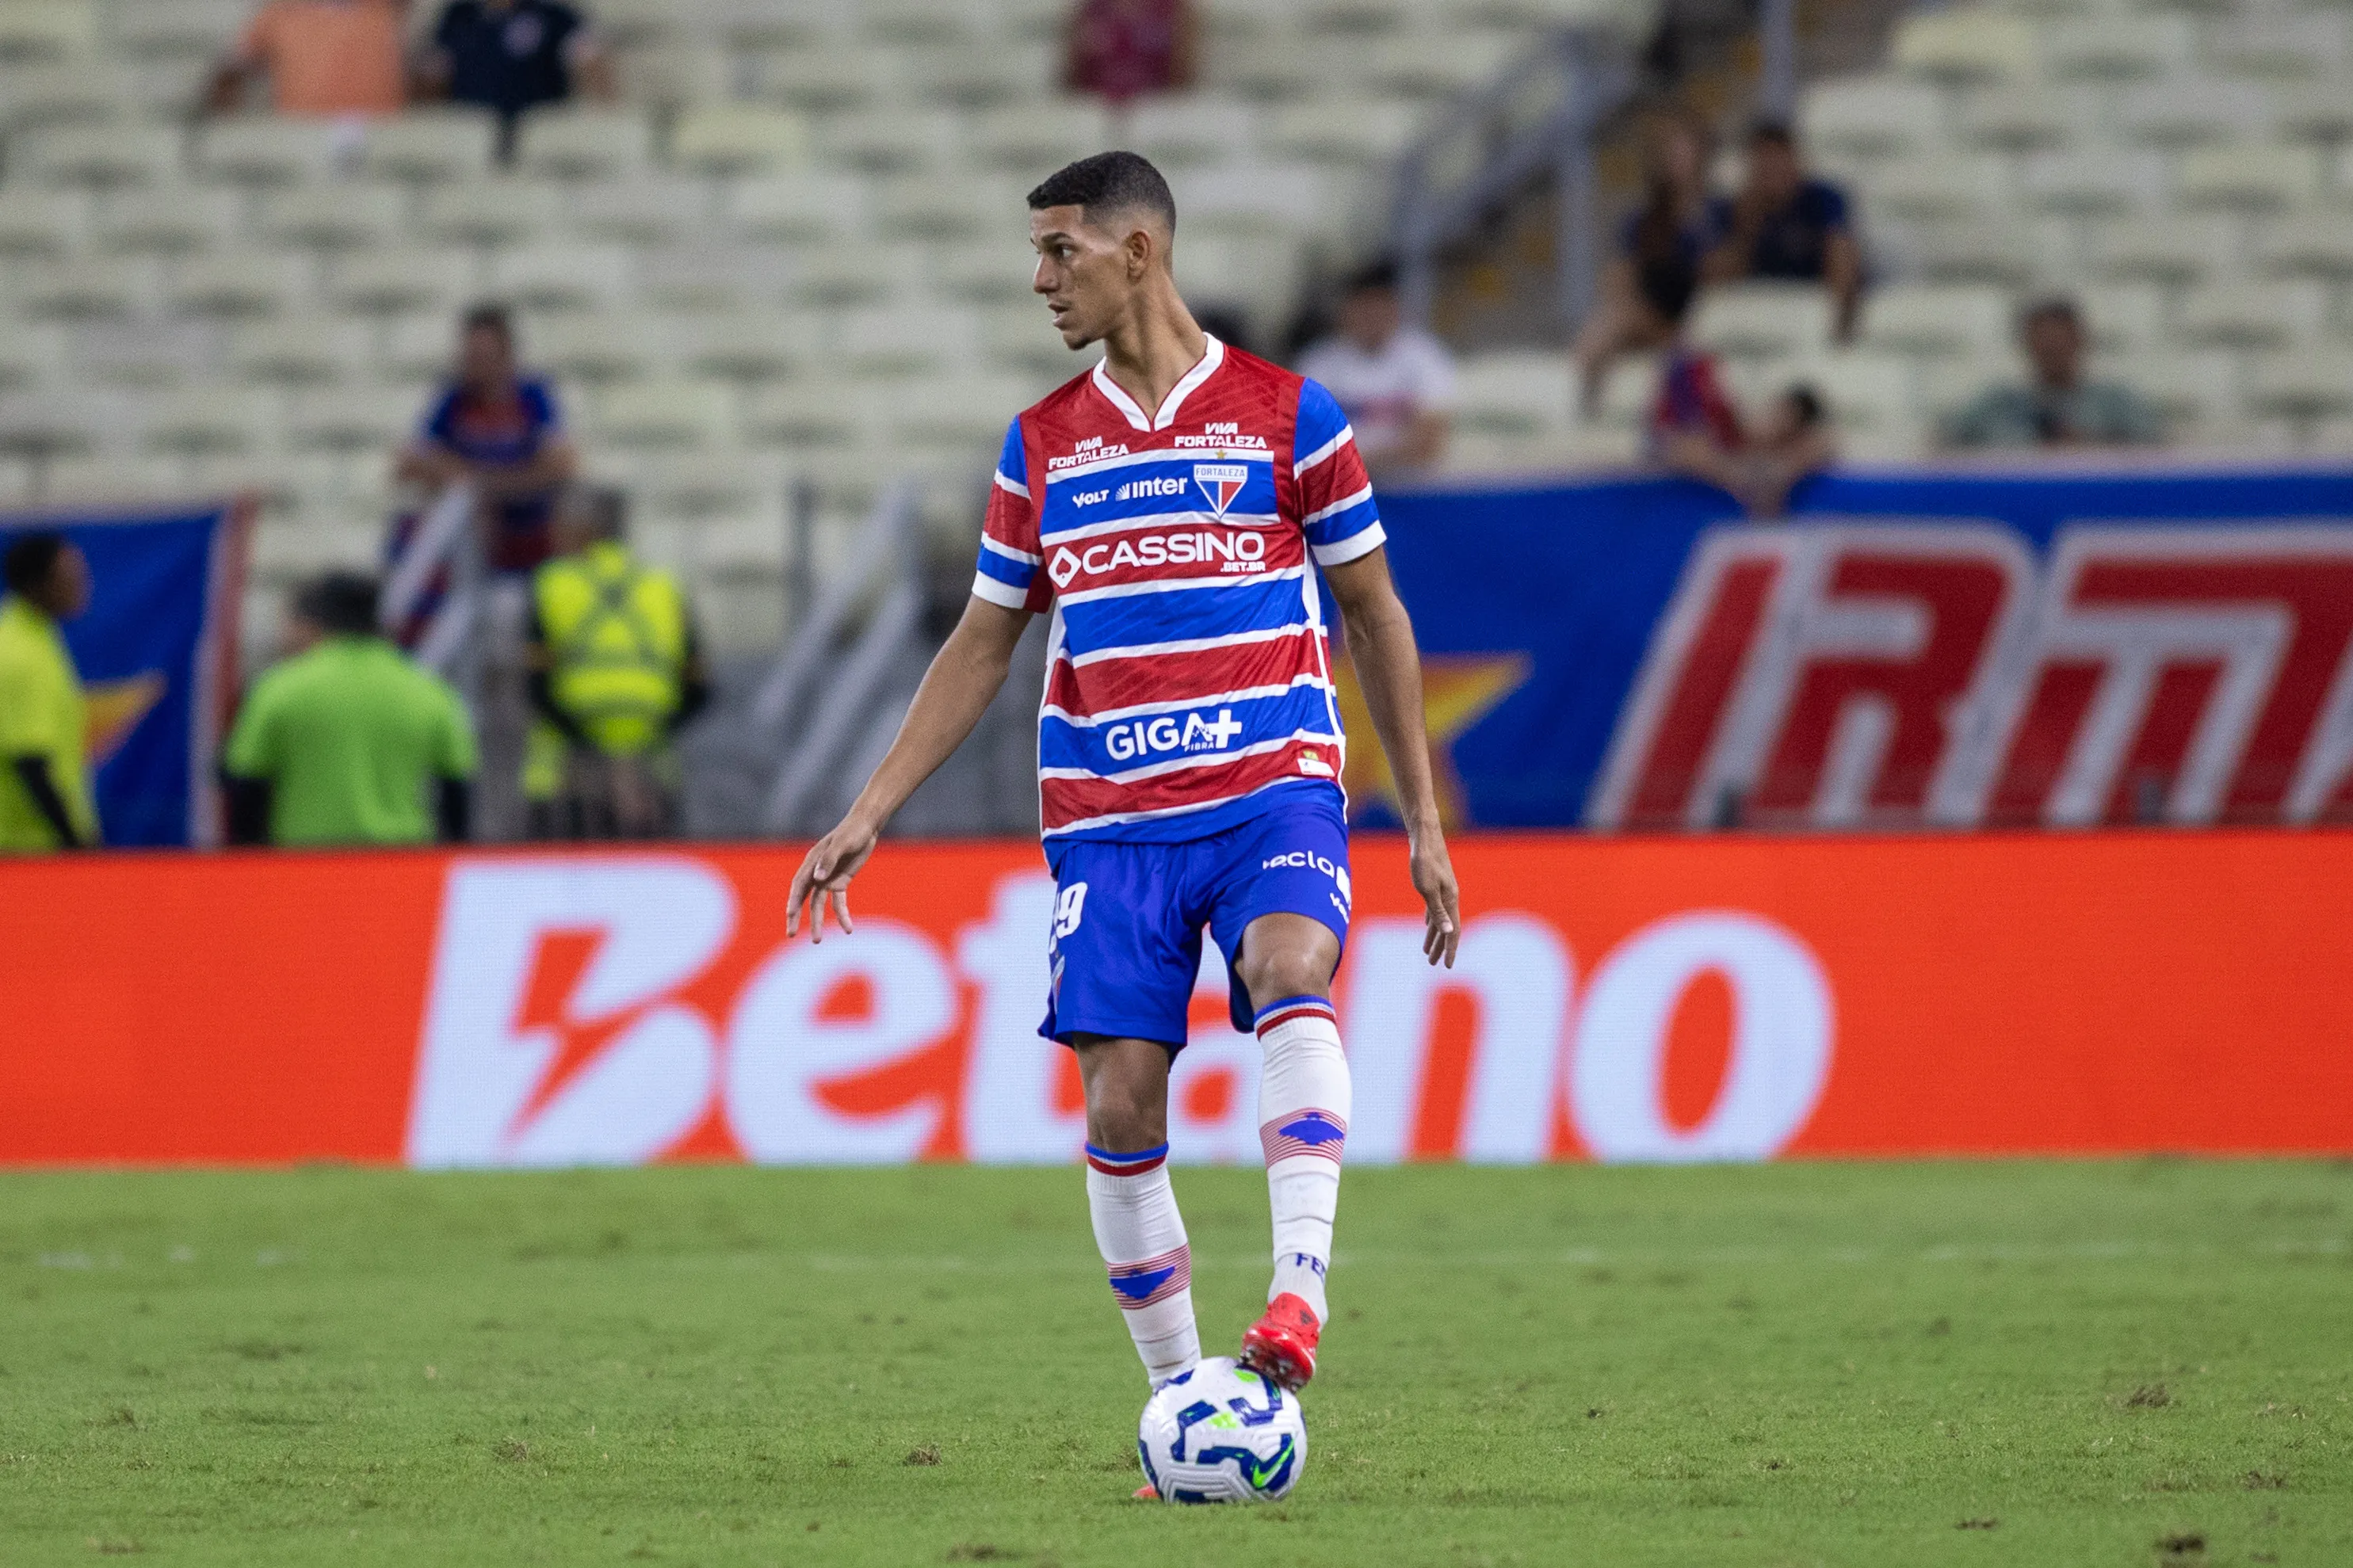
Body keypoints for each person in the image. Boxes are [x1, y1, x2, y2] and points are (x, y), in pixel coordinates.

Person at [784, 153, 1462, 1467]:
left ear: (1136, 251)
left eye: (1060, 251)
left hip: (1269, 783)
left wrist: (1422, 821)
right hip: (1107, 817)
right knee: (1118, 1107)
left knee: (1290, 965)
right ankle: (1183, 1404)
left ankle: (1298, 1295)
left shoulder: (1291, 415)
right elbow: (984, 638)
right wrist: (870, 806)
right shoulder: (1039, 443)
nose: (1041, 280)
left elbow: (1374, 611)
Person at [221, 574, 476, 847]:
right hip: (403, 860)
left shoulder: (279, 688)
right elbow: (457, 787)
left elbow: (245, 782)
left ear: (311, 624)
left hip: (305, 860)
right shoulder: (429, 690)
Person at [522, 485, 709, 840]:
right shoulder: (664, 585)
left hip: (567, 770)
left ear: (582, 530)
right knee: (650, 870)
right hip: (651, 767)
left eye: (560, 526)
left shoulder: (551, 584)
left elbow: (536, 684)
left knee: (565, 871)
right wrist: (643, 736)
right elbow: (699, 685)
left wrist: (595, 741)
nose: (553, 535)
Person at [395, 303, 578, 576]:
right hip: (471, 530)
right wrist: (465, 483)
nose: (473, 364)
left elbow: (562, 464)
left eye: (483, 356)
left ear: (506, 356)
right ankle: (410, 590)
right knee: (447, 505)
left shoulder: (532, 396)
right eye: (469, 355)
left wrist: (487, 487)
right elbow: (408, 463)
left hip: (524, 528)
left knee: (464, 497)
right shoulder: (453, 398)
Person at [1642, 261, 1835, 517]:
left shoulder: (1774, 452)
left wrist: (1782, 476)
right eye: (1777, 411)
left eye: (1786, 420)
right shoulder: (1695, 377)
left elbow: (1825, 443)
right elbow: (1676, 446)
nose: (1776, 420)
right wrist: (1739, 480)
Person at [1575, 110, 1716, 416]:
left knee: (1615, 321)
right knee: (1612, 316)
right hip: (1648, 319)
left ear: (1700, 154)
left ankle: (1583, 397)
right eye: (1667, 152)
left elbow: (1714, 276)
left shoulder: (1715, 215)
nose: (1674, 160)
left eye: (1681, 150)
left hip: (1691, 319)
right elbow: (1618, 279)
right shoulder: (1643, 221)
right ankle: (1584, 400)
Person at [1702, 121, 1864, 344]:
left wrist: (1833, 317)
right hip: (1756, 308)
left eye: (1778, 160)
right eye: (1763, 164)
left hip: (1811, 301)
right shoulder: (1733, 209)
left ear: (1795, 162)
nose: (1772, 171)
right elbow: (1715, 284)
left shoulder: (1822, 199)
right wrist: (1747, 227)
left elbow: (1842, 259)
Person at [1294, 261, 1457, 480]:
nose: (1371, 315)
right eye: (1363, 306)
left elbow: (1428, 443)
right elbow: (1305, 446)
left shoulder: (1425, 357)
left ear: (1394, 308)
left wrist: (1352, 462)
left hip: (1411, 487)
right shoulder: (1318, 363)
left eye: (1379, 305)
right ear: (1346, 310)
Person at [1942, 296, 2166, 451]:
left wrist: (2093, 448)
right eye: (2044, 345)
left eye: (2060, 344)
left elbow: (2158, 455)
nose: (2053, 352)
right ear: (2026, 345)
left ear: (2080, 341)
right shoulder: (1995, 406)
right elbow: (1942, 450)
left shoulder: (2116, 403)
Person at [0, 533, 97, 853]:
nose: (83, 586)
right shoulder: (18, 652)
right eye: (70, 577)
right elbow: (30, 760)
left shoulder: (38, 635)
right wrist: (74, 842)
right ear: (35, 584)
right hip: (26, 847)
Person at [418, 0, 618, 151]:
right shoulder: (458, 16)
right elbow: (432, 81)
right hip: (473, 136)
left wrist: (602, 120)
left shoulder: (552, 15)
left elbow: (592, 64)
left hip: (535, 136)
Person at [206, 0, 412, 118]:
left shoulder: (385, 8)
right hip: (301, 135)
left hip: (379, 133)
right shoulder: (280, 11)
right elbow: (231, 71)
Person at [1064, 0, 1196, 108]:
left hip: (1157, 107)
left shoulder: (1172, 10)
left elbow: (1183, 73)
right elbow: (1073, 73)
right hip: (1096, 106)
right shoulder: (1091, 10)